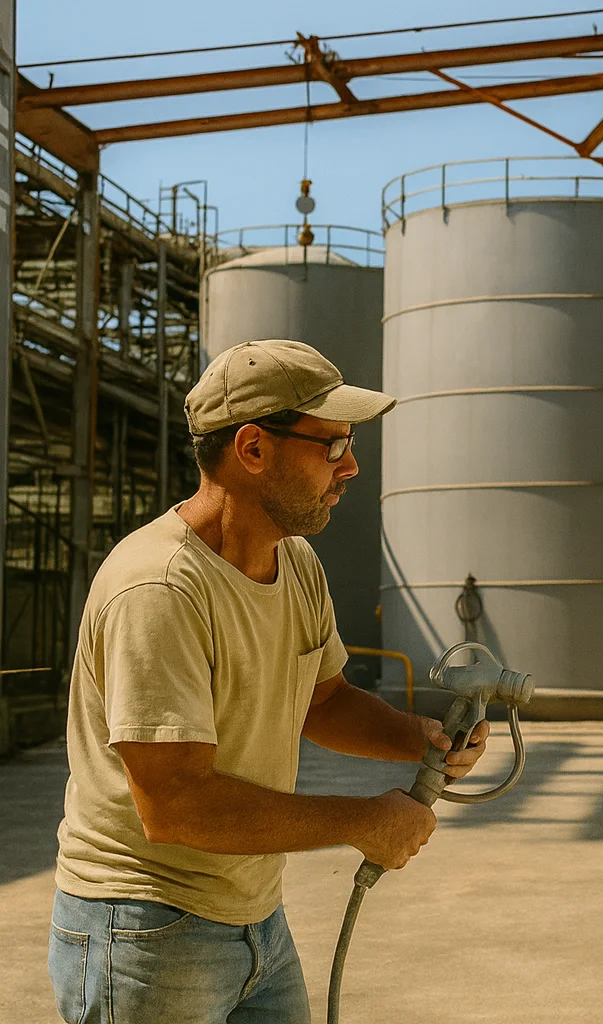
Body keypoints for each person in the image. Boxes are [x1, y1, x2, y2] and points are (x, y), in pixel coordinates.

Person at [48, 339, 489, 1023]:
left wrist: (423, 738)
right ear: (252, 449)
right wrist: (363, 821)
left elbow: (325, 699)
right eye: (333, 446)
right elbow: (175, 806)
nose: (351, 468)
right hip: (143, 930)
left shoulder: (296, 565)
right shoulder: (160, 588)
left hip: (254, 918)